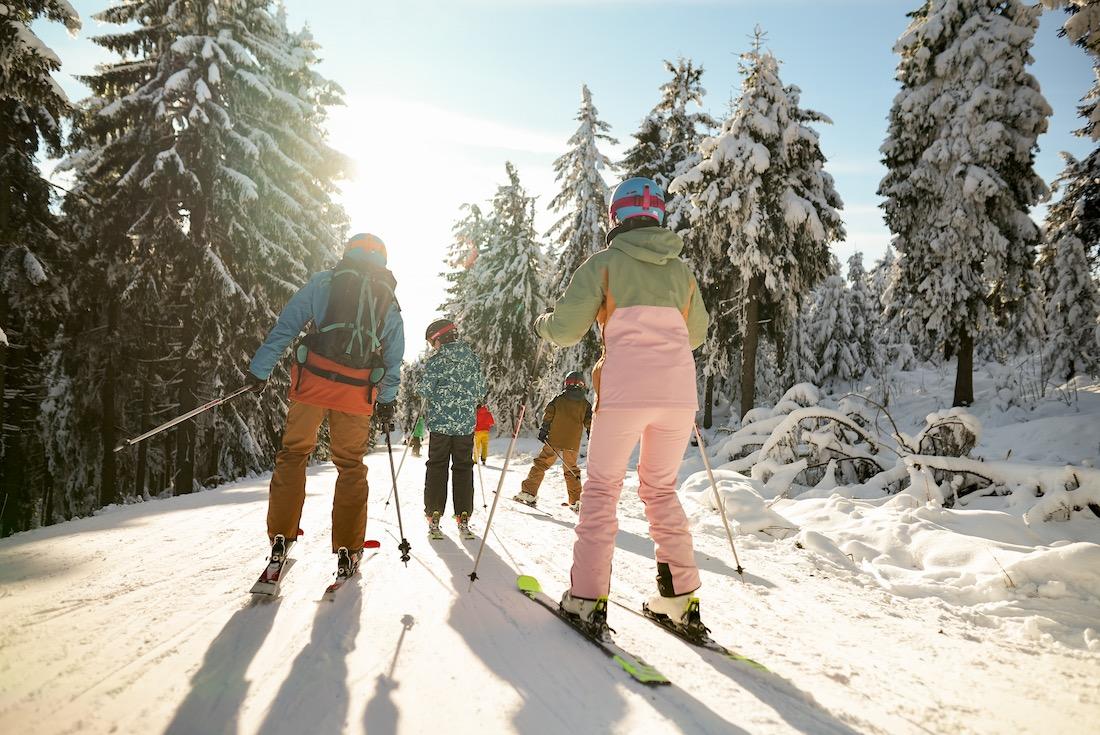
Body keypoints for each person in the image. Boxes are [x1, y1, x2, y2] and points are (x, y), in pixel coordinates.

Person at [533, 177, 710, 638]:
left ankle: (587, 599)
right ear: (659, 215)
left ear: (617, 216)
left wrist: (543, 327)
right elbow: (696, 335)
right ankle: (679, 597)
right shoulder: (682, 272)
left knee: (602, 489)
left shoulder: (605, 265)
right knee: (660, 489)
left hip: (626, 392)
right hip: (677, 397)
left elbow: (567, 329)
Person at [248, 233, 404, 576]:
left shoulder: (324, 282)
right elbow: (394, 358)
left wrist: (259, 371)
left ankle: (280, 538)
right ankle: (349, 547)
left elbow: (286, 327)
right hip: (356, 392)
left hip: (312, 384)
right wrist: (387, 401)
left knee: (293, 454)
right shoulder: (387, 298)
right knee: (350, 465)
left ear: (348, 253)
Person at [418, 318, 486, 540]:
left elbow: (425, 390)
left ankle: (434, 513)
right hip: (465, 425)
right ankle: (463, 514)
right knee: (463, 467)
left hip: (440, 426)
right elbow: (481, 390)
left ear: (439, 338)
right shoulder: (472, 359)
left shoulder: (436, 361)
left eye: (432, 342)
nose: (432, 347)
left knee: (437, 466)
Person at [513, 371, 591, 512]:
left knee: (541, 464)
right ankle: (576, 500)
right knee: (571, 470)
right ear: (582, 384)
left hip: (554, 440)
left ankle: (529, 492)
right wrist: (591, 433)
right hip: (572, 443)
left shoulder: (559, 399)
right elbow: (589, 422)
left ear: (566, 383)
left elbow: (549, 414)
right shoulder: (585, 404)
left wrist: (544, 431)